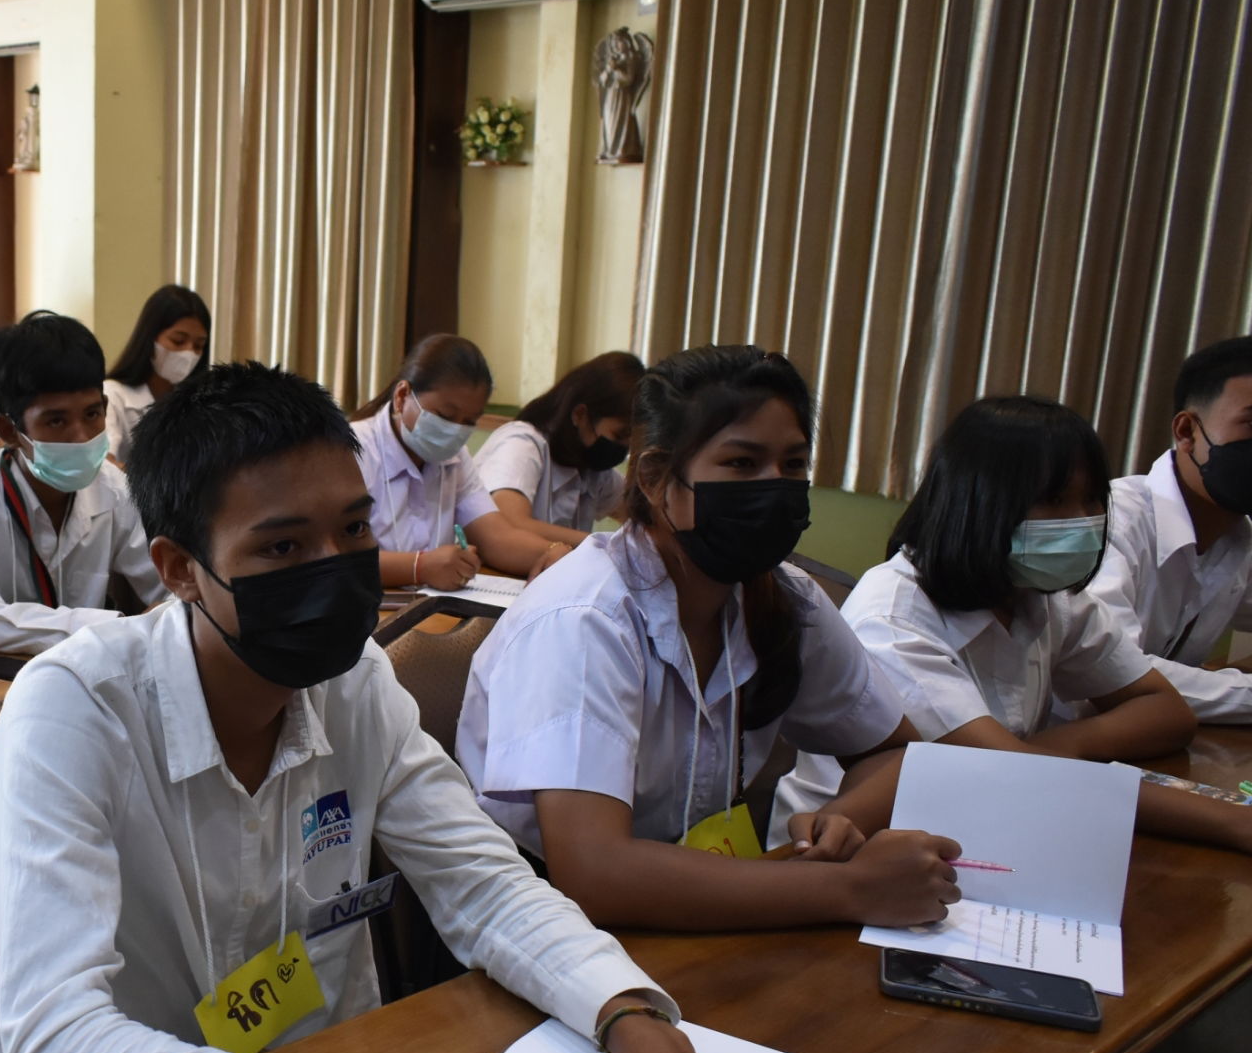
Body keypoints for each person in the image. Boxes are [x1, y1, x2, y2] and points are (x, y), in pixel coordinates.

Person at [0, 361, 793, 1053]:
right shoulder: (74, 710)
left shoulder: (352, 684)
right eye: (281, 548)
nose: (333, 569)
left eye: (353, 529)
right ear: (180, 569)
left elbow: (487, 887)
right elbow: (58, 1052)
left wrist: (636, 1022)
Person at [456, 345, 964, 932]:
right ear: (654, 478)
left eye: (793, 464)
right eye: (743, 465)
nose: (775, 487)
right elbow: (593, 874)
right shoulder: (585, 617)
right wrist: (848, 888)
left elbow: (892, 750)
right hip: (540, 919)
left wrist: (841, 818)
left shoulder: (783, 598)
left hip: (700, 900)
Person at [770, 394, 1252, 862]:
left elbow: (1166, 712)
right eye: (1053, 501)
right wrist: (1241, 823)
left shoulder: (1042, 595)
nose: (1081, 519)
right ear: (977, 503)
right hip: (846, 854)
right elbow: (1015, 778)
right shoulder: (894, 617)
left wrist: (1049, 751)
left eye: (1092, 500)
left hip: (994, 825)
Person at [0, 310, 167, 660]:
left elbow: (170, 583)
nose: (82, 436)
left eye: (92, 413)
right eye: (56, 420)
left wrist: (166, 613)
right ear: (9, 431)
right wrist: (112, 629)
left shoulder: (113, 487)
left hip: (66, 676)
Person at [1084, 336, 1252, 721]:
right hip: (1049, 752)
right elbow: (1119, 675)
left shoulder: (1240, 541)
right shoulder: (1111, 523)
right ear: (1187, 432)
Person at [354, 335, 570, 591]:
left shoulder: (455, 458)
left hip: (429, 611)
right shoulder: (351, 451)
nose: (455, 430)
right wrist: (419, 567)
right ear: (402, 396)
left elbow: (496, 537)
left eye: (469, 422)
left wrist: (554, 552)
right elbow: (332, 561)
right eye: (445, 416)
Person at [475, 351, 640, 547]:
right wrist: (602, 545)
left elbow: (640, 516)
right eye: (620, 435)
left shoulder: (591, 469)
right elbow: (509, 523)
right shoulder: (522, 444)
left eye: (632, 440)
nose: (623, 447)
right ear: (580, 415)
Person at [102, 283, 209, 462]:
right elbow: (104, 465)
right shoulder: (112, 395)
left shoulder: (198, 403)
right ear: (150, 337)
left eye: (198, 345)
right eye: (178, 340)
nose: (189, 353)